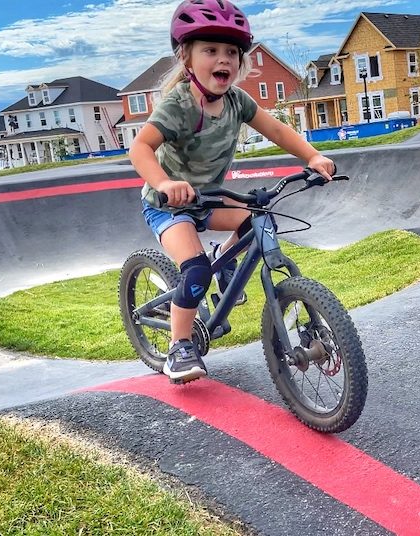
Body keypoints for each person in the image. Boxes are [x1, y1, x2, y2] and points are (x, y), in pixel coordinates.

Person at [130, 0, 335, 383]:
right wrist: (164, 183)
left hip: (210, 198)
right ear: (187, 59)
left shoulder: (237, 102)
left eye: (231, 52)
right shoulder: (178, 106)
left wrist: (313, 156)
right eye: (210, 50)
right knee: (193, 272)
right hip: (168, 206)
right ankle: (179, 347)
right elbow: (139, 148)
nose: (222, 59)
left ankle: (222, 270)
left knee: (258, 222)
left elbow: (276, 130)